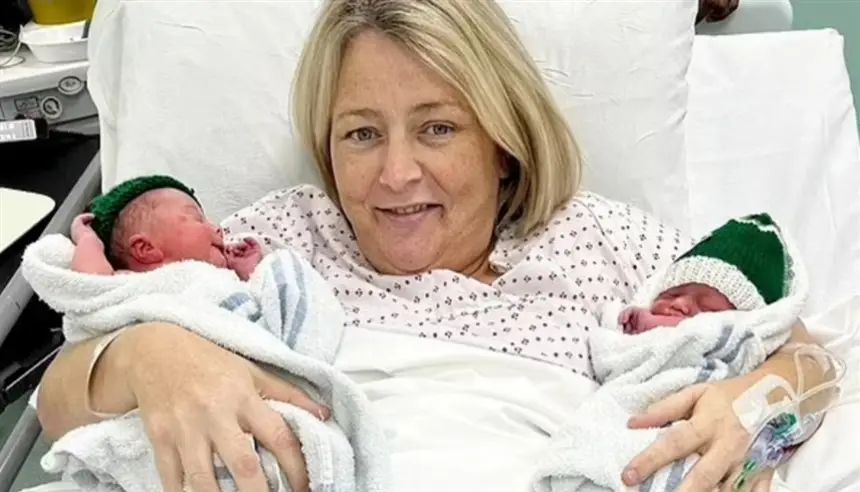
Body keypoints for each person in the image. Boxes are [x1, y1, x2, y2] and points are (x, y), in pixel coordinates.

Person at [35, 1, 831, 492]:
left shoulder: (599, 240)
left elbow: (802, 354)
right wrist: (151, 355)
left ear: (503, 141)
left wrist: (758, 403)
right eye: (361, 134)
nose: (396, 174)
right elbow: (61, 406)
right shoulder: (275, 241)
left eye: (438, 128)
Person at [617, 213, 788, 335]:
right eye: (671, 294)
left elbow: (697, 336)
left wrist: (647, 323)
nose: (680, 303)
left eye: (706, 307)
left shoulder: (738, 339)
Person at [69, 175, 263, 281]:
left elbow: (261, 305)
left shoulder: (226, 280)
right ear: (145, 248)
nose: (217, 228)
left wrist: (249, 272)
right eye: (197, 218)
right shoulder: (135, 284)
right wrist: (88, 241)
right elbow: (91, 285)